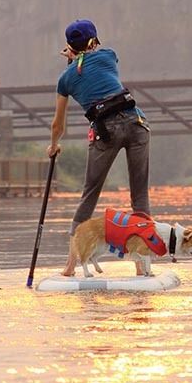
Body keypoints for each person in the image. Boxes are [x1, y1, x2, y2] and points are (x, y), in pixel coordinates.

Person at [47, 19, 151, 276]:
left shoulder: (65, 80)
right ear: (95, 40)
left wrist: (54, 145)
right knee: (140, 197)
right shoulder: (108, 55)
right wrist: (77, 57)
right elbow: (93, 65)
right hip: (136, 124)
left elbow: (57, 125)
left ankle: (71, 265)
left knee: (89, 196)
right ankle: (141, 266)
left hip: (106, 133)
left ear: (69, 46)